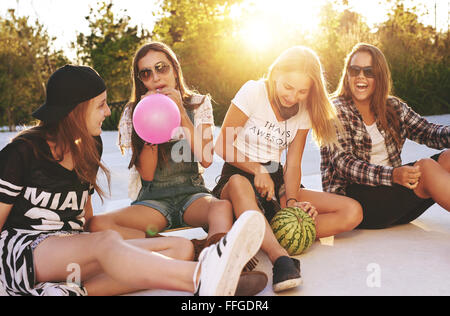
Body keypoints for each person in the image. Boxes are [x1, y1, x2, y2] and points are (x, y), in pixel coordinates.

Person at [0, 64, 266, 296]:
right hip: (23, 254)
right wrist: (107, 248)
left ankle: (69, 291)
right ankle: (201, 278)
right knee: (106, 243)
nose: (107, 112)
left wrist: (120, 251)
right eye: (100, 105)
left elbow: (83, 219)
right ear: (75, 111)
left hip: (71, 254)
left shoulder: (90, 146)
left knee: (179, 248)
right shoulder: (22, 152)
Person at [87, 42, 268, 295]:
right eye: (146, 73)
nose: (155, 77)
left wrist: (181, 115)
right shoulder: (133, 112)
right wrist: (150, 123)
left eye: (161, 68)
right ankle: (195, 249)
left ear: (174, 69)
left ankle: (229, 268)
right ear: (140, 80)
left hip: (191, 193)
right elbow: (148, 175)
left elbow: (206, 159)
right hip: (153, 200)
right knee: (96, 225)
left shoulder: (197, 103)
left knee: (221, 206)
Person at [212, 46, 363, 293]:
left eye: (303, 91)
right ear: (275, 74)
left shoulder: (303, 110)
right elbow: (221, 145)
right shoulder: (253, 91)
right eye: (288, 87)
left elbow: (293, 164)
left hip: (276, 181)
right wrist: (256, 169)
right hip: (238, 175)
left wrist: (292, 202)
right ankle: (280, 258)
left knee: (352, 211)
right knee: (240, 184)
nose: (293, 97)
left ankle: (265, 230)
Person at [320, 43, 450, 229]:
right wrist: (393, 175)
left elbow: (429, 132)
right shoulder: (336, 110)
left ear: (379, 75)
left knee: (448, 158)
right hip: (358, 202)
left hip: (393, 200)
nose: (360, 76)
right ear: (347, 74)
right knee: (427, 168)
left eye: (368, 71)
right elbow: (344, 164)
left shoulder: (393, 107)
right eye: (354, 70)